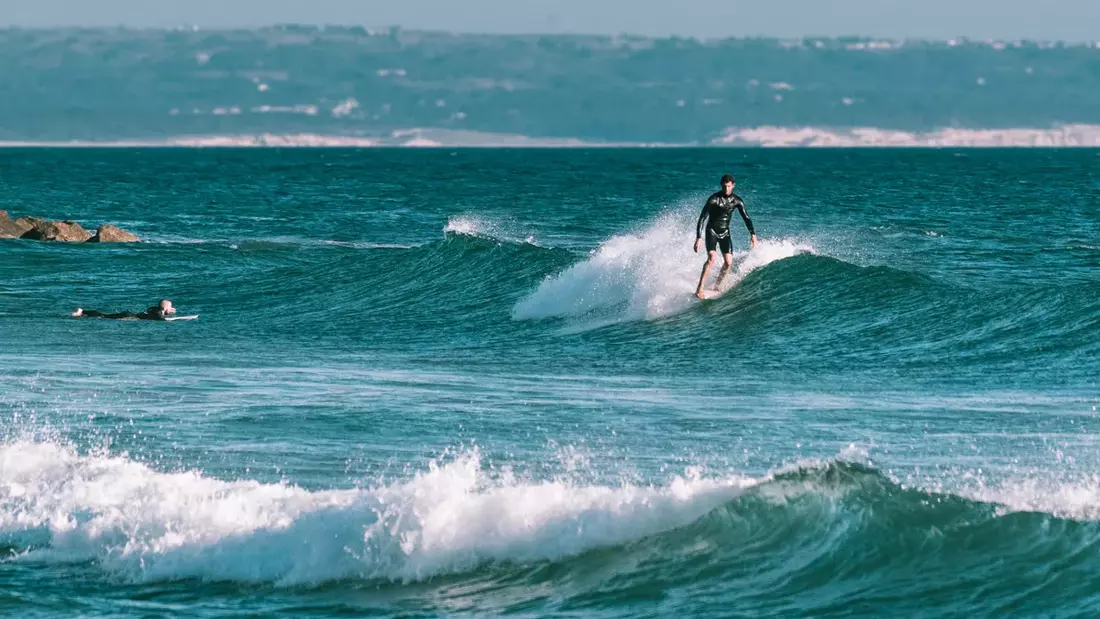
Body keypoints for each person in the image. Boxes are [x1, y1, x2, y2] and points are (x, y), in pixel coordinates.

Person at [693, 174, 757, 299]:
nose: (726, 189)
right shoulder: (714, 199)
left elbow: (746, 217)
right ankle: (699, 288)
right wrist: (698, 237)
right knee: (712, 257)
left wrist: (752, 234)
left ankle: (716, 286)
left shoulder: (737, 201)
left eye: (728, 186)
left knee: (728, 262)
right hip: (711, 231)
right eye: (724, 186)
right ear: (721, 185)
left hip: (725, 233)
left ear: (733, 185)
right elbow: (702, 217)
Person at [72, 299, 177, 321]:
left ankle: (83, 312)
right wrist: (169, 319)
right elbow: (160, 319)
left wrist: (166, 313)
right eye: (170, 307)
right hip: (128, 316)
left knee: (105, 315)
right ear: (164, 308)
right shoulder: (157, 312)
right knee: (104, 316)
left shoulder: (155, 309)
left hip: (130, 315)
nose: (172, 309)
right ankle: (82, 311)